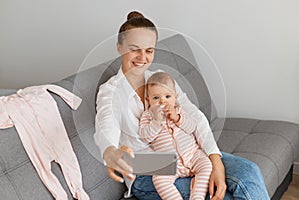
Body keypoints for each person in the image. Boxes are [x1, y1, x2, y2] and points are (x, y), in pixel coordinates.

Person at [94, 10, 270, 200]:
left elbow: (194, 115)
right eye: (134, 49)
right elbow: (105, 123)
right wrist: (110, 150)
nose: (142, 57)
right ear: (119, 47)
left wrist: (215, 160)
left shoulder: (160, 78)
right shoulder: (110, 91)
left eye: (149, 50)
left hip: (188, 152)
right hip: (148, 169)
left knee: (249, 172)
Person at [139, 71, 212, 200]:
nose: (163, 101)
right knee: (159, 179)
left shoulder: (179, 110)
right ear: (148, 100)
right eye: (156, 98)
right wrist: (156, 121)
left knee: (207, 165)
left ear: (175, 97)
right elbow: (145, 137)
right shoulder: (148, 116)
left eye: (168, 96)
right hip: (171, 162)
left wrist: (177, 118)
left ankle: (197, 196)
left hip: (193, 154)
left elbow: (192, 127)